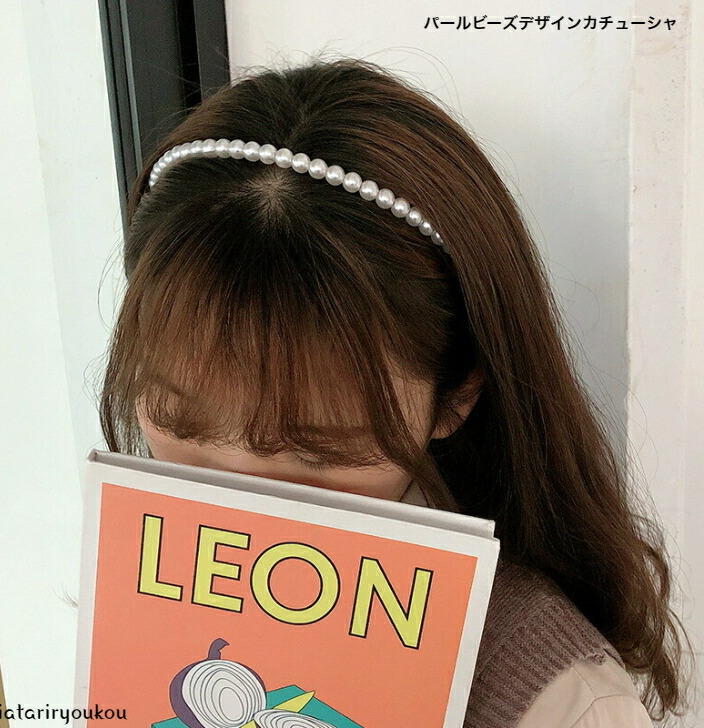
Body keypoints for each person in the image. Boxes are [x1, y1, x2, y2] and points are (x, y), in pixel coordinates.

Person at [99, 56, 694, 727]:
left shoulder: (562, 703)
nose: (240, 494)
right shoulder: (130, 580)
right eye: (180, 417)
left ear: (454, 397)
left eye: (318, 451)